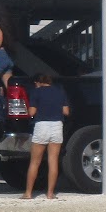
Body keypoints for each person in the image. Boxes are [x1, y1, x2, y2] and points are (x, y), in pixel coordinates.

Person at [23, 72, 70, 200]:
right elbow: (66, 112)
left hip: (41, 125)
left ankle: (28, 193)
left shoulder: (36, 92)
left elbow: (32, 112)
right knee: (53, 161)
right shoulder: (60, 92)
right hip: (57, 126)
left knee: (35, 162)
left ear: (38, 82)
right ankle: (50, 193)